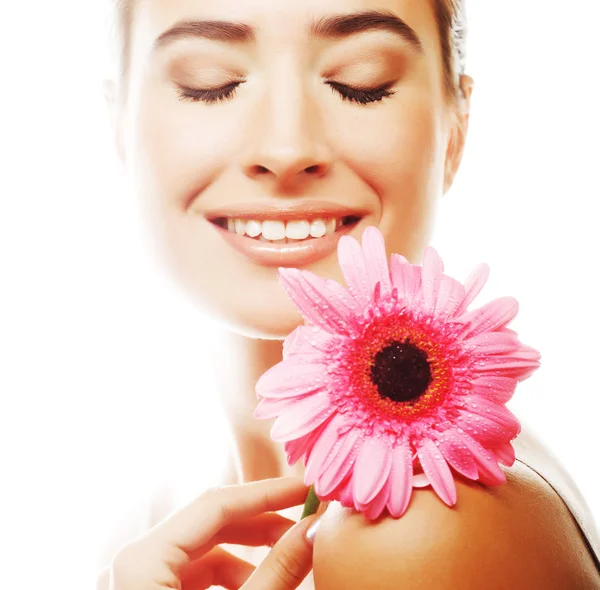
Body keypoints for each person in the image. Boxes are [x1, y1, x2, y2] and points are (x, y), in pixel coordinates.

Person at [97, 0, 600, 588]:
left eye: (360, 84)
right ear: (118, 127)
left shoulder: (424, 526)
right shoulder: (152, 526)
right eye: (210, 85)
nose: (286, 150)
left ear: (457, 127)